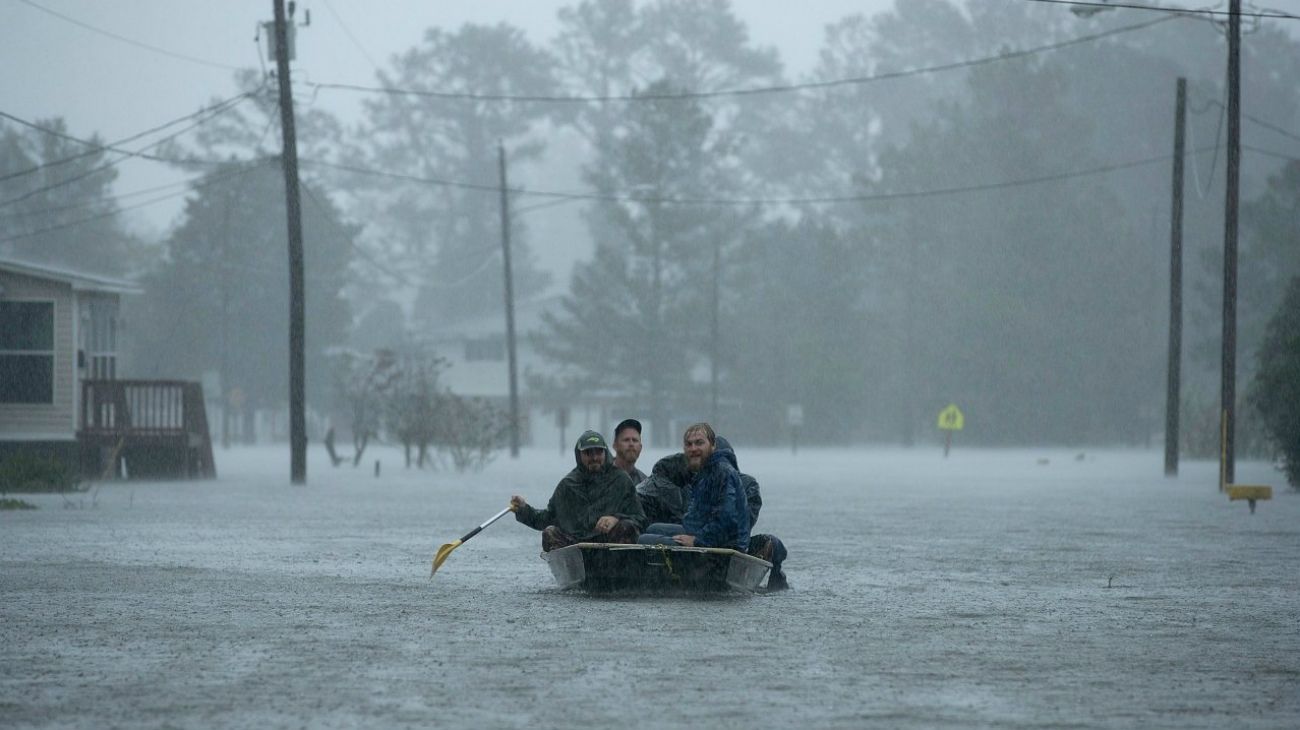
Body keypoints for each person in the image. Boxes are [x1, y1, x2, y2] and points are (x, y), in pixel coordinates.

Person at [636, 434, 790, 591]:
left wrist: (699, 539)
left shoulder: (745, 484)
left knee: (646, 538)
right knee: (652, 530)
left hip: (723, 543)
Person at [511, 430, 646, 552]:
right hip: (576, 549)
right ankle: (575, 572)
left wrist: (616, 518)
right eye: (588, 453)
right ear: (579, 455)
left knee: (627, 527)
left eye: (598, 452)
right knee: (550, 532)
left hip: (610, 547)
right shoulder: (568, 485)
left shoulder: (621, 480)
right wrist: (523, 509)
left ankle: (619, 574)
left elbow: (639, 518)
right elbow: (547, 518)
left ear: (605, 453)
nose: (594, 457)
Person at [638, 423, 749, 551]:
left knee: (644, 540)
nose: (693, 448)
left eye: (699, 443)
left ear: (713, 446)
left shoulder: (722, 472)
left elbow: (728, 520)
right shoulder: (705, 473)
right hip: (705, 535)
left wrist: (697, 541)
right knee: (654, 529)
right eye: (689, 444)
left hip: (724, 545)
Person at [611, 418, 646, 484]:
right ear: (615, 446)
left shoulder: (644, 483)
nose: (631, 444)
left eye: (635, 440)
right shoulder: (600, 477)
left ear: (640, 447)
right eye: (626, 440)